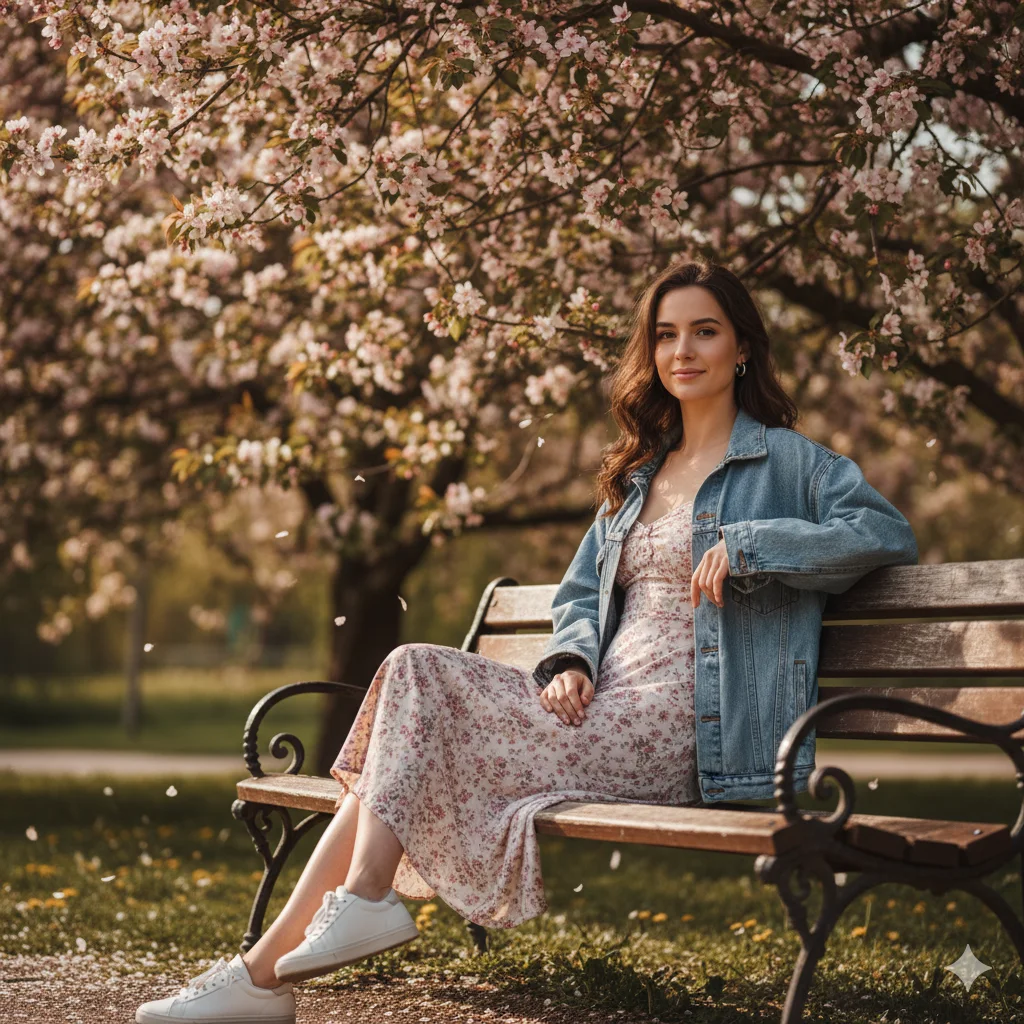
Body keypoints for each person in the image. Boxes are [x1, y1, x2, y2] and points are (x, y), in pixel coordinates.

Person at [135, 256, 918, 1023]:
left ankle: (280, 963)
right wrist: (572, 659)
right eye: (667, 335)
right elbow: (582, 595)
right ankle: (279, 964)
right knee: (411, 674)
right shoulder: (640, 474)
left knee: (406, 729)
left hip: (686, 732)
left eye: (705, 332)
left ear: (741, 347)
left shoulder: (789, 462)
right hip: (602, 709)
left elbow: (882, 534)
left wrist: (755, 546)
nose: (683, 352)